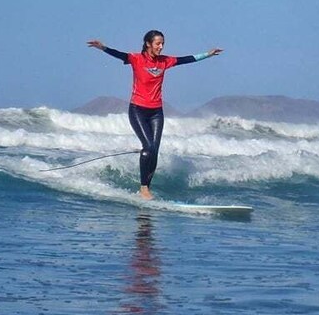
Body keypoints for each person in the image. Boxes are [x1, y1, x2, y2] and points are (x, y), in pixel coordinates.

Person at [87, 31, 222, 200]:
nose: (161, 46)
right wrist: (103, 48)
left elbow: (185, 59)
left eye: (163, 43)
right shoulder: (136, 59)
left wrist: (207, 55)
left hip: (156, 112)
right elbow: (119, 54)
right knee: (149, 147)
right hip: (138, 110)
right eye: (158, 43)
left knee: (154, 150)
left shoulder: (164, 61)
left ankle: (146, 189)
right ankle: (143, 188)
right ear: (148, 43)